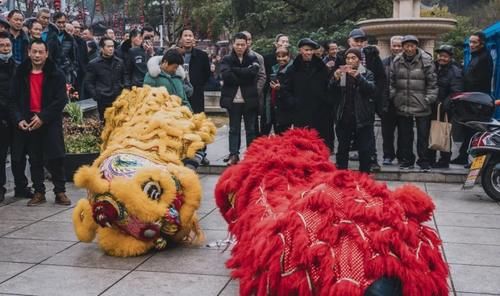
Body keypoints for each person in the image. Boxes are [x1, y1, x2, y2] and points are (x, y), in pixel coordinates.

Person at [9, 39, 71, 206]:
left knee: (56, 157)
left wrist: (43, 116)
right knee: (35, 158)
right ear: (28, 52)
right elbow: (12, 100)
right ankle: (39, 191)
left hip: (49, 121)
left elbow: (61, 100)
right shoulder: (20, 73)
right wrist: (19, 119)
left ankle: (60, 191)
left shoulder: (56, 73)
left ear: (46, 54)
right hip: (29, 121)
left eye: (40, 52)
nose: (37, 55)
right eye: (34, 51)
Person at [390, 35, 438, 171]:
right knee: (405, 135)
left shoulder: (426, 59)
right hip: (403, 103)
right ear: (403, 46)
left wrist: (429, 99)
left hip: (422, 104)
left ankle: (423, 161)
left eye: (412, 45)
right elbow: (391, 81)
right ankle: (407, 160)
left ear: (416, 46)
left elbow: (433, 83)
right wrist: (394, 97)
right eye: (406, 45)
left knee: (423, 136)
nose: (409, 48)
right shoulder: (397, 60)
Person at [331, 48, 377, 173]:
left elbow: (371, 89)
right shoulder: (342, 72)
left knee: (364, 150)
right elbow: (332, 92)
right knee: (342, 149)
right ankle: (341, 175)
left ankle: (364, 176)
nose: (350, 61)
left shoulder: (367, 73)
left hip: (362, 117)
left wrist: (358, 77)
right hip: (344, 117)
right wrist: (334, 79)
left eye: (353, 58)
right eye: (348, 58)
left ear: (359, 60)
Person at [452, 31, 494, 166]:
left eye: (474, 42)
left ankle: (476, 162)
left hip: (478, 101)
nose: (471, 45)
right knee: (468, 129)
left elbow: (476, 80)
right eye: (470, 42)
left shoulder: (484, 58)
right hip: (472, 99)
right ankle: (463, 156)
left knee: (476, 131)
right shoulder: (476, 57)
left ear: (482, 43)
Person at [219, 32, 260, 166]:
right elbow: (226, 75)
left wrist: (236, 71)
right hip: (233, 99)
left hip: (249, 98)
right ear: (233, 44)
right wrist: (244, 73)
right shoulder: (226, 59)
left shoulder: (253, 58)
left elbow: (253, 73)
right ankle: (234, 154)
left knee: (251, 129)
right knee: (234, 128)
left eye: (243, 44)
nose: (240, 47)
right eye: (238, 44)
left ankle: (251, 154)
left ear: (247, 45)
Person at [281, 38, 330, 147]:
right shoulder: (293, 69)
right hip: (300, 112)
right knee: (301, 143)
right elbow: (286, 89)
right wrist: (293, 102)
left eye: (311, 50)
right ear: (300, 50)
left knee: (318, 143)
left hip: (319, 112)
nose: (309, 53)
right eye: (306, 50)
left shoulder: (321, 68)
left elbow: (328, 87)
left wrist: (325, 102)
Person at [430, 45, 463, 169]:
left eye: (445, 56)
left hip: (445, 108)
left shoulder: (455, 71)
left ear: (450, 57)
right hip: (433, 105)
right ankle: (431, 158)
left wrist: (445, 104)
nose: (442, 58)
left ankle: (444, 160)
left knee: (444, 133)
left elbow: (456, 91)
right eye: (440, 55)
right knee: (432, 132)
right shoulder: (434, 67)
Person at [85, 37, 128, 120]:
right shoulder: (94, 64)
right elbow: (88, 82)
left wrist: (125, 89)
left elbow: (125, 76)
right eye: (108, 46)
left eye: (112, 46)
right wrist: (96, 95)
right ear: (102, 48)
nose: (111, 49)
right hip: (103, 98)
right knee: (105, 124)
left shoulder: (119, 62)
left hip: (118, 98)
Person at [381, 35, 403, 166]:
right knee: (387, 133)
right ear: (390, 47)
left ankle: (402, 156)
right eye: (394, 45)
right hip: (387, 103)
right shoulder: (384, 63)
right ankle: (388, 155)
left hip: (403, 103)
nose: (396, 48)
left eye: (399, 45)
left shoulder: (408, 63)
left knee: (404, 133)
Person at [178, 28, 210, 113]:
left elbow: (207, 74)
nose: (188, 38)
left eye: (190, 36)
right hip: (178, 93)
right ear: (181, 39)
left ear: (194, 39)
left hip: (197, 94)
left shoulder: (202, 56)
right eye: (185, 36)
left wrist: (198, 85)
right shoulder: (174, 54)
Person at [0, 32, 16, 202]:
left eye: (7, 46)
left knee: (19, 154)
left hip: (16, 118)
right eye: (2, 46)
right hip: (1, 118)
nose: (5, 49)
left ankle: (22, 185)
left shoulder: (17, 66)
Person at [242, 31, 266, 134]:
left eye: (249, 39)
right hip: (237, 96)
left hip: (252, 96)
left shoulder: (258, 57)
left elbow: (262, 76)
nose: (247, 42)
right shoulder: (232, 57)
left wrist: (255, 91)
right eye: (245, 39)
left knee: (253, 126)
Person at [267, 46, 294, 134]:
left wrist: (280, 88)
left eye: (283, 56)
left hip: (288, 110)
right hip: (277, 109)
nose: (281, 59)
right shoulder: (276, 69)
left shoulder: (293, 69)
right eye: (278, 56)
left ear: (289, 56)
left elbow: (292, 88)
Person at [53, 12, 79, 85]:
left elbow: (74, 56)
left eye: (63, 22)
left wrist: (73, 69)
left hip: (66, 72)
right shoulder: (49, 36)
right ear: (54, 22)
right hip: (51, 71)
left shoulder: (69, 38)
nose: (61, 25)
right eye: (59, 22)